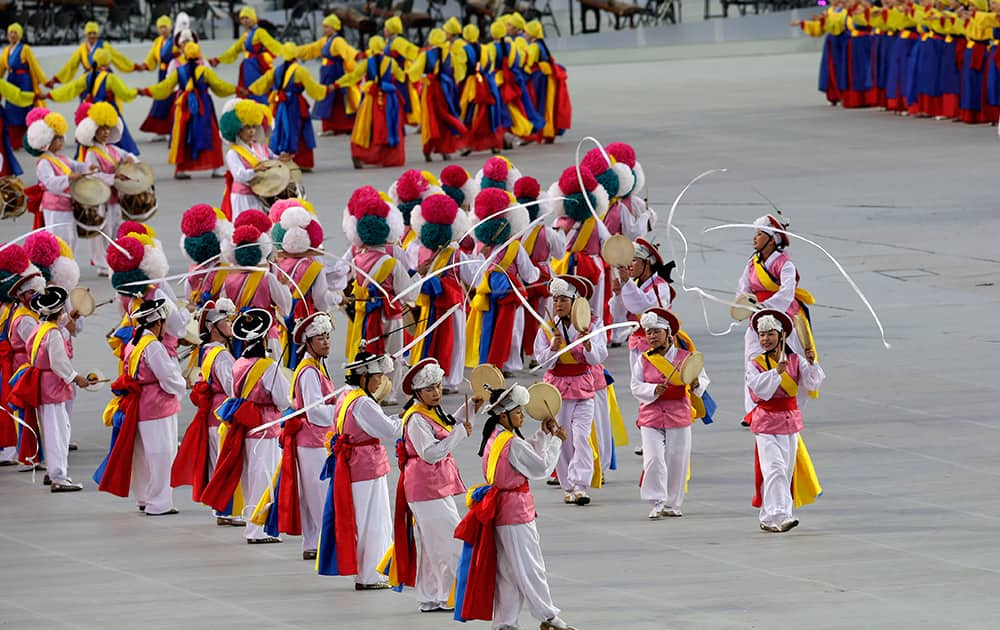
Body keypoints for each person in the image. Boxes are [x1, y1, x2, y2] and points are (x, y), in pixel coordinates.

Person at [452, 383, 576, 630]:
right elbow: (539, 467)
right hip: (516, 513)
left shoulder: (496, 438)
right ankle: (548, 616)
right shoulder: (512, 443)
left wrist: (543, 435)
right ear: (503, 415)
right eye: (518, 411)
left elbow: (525, 455)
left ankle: (505, 623)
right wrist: (556, 441)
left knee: (507, 571)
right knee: (531, 566)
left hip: (501, 511)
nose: (522, 415)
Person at [387, 358, 474, 610]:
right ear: (417, 392)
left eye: (437, 386)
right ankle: (448, 595)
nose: (436, 392)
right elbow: (430, 453)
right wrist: (460, 433)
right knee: (448, 540)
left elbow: (448, 424)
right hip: (426, 487)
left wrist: (472, 408)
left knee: (432, 543)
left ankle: (430, 596)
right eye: (430, 389)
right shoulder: (415, 419)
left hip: (431, 486)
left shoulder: (428, 413)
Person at [200, 308, 291, 543]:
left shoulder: (238, 363)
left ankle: (254, 525)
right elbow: (283, 399)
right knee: (265, 478)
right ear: (263, 339)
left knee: (251, 478)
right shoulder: (267, 366)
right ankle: (258, 529)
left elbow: (233, 392)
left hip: (246, 426)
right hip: (266, 427)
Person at [316, 351, 401, 589]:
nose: (380, 380)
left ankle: (369, 572)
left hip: (354, 464)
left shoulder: (347, 395)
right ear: (363, 376)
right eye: (376, 376)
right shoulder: (363, 403)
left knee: (364, 519)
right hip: (366, 466)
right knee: (374, 520)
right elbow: (388, 430)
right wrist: (407, 419)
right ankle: (372, 574)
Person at [95, 299, 186, 515]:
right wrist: (182, 385)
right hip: (157, 404)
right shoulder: (153, 345)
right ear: (159, 323)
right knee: (162, 453)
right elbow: (167, 376)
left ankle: (144, 497)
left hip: (139, 403)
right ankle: (159, 502)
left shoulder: (134, 343)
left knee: (142, 453)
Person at [745, 309, 825, 533]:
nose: (765, 339)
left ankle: (769, 516)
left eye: (770, 334)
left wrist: (812, 364)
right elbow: (758, 392)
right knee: (775, 468)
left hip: (790, 422)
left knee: (786, 471)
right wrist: (775, 374)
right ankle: (783, 514)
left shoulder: (795, 360)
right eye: (761, 335)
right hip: (765, 423)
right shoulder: (755, 363)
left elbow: (811, 385)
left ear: (781, 335)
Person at [8, 286, 94, 492]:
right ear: (58, 311)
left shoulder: (40, 327)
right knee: (58, 431)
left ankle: (53, 472)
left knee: (50, 429)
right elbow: (59, 363)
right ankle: (59, 477)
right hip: (53, 385)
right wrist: (76, 378)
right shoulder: (53, 334)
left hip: (42, 384)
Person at [532, 275, 607, 506]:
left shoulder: (592, 325)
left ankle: (581, 485)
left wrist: (588, 346)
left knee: (582, 437)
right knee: (562, 437)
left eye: (563, 299)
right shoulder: (547, 328)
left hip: (583, 388)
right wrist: (552, 349)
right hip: (556, 391)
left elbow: (599, 356)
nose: (558, 304)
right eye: (555, 300)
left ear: (575, 301)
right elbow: (541, 361)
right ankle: (567, 485)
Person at [629, 308, 711, 519]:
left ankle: (673, 503)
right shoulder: (643, 359)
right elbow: (635, 385)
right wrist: (652, 390)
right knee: (653, 459)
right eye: (648, 333)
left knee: (677, 459)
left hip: (678, 413)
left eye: (656, 331)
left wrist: (695, 384)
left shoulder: (686, 358)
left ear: (668, 333)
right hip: (651, 414)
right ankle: (656, 501)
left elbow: (702, 380)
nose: (652, 336)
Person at [735, 214, 818, 413]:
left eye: (759, 235)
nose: (754, 238)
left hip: (784, 317)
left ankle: (792, 403)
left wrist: (765, 306)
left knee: (791, 360)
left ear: (772, 240)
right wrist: (746, 304)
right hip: (757, 316)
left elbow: (787, 293)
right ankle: (753, 409)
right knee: (752, 359)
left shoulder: (785, 264)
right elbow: (743, 289)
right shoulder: (752, 263)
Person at [341, 186, 412, 402]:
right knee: (393, 353)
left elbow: (341, 273)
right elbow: (406, 291)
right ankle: (388, 393)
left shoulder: (356, 259)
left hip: (366, 314)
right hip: (390, 313)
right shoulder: (393, 260)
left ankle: (368, 388)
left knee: (366, 350)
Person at [170, 298, 235, 516]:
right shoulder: (222, 355)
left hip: (212, 415)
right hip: (222, 415)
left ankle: (222, 510)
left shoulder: (208, 350)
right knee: (224, 465)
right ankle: (225, 510)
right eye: (226, 321)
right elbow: (231, 386)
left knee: (217, 463)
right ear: (213, 328)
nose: (230, 324)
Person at [281, 312, 338, 559]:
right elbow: (315, 411)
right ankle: (319, 542)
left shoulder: (316, 367)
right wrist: (341, 409)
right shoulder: (309, 372)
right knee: (317, 494)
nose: (325, 342)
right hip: (313, 440)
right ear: (308, 342)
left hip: (315, 439)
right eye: (319, 338)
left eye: (327, 337)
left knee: (314, 492)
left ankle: (313, 542)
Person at [465, 187, 539, 374]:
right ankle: (509, 363)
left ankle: (489, 361)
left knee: (486, 329)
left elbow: (475, 275)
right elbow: (529, 273)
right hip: (511, 293)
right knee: (514, 329)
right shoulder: (514, 246)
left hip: (486, 293)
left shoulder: (479, 248)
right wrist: (538, 274)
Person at [408, 193, 475, 393]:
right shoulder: (456, 253)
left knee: (426, 338)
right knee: (454, 343)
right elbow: (474, 278)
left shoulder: (416, 249)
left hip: (428, 303)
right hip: (452, 304)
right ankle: (450, 380)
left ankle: (425, 375)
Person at [141, 42, 234, 180]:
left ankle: (181, 170)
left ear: (184, 55)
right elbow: (220, 86)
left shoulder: (179, 71)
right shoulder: (205, 71)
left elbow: (164, 87)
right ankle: (216, 167)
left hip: (184, 106)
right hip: (203, 106)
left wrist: (146, 91)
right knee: (211, 134)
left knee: (183, 136)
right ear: (199, 55)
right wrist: (237, 89)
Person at [24, 107, 98, 265]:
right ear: (47, 141)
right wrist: (69, 178)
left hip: (67, 204)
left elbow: (77, 166)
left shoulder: (62, 158)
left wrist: (87, 168)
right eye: (58, 139)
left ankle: (69, 265)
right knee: (59, 238)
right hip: (54, 206)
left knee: (71, 238)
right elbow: (50, 183)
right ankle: (59, 266)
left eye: (61, 138)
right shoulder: (44, 162)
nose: (61, 141)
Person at [74, 102, 137, 277]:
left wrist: (131, 160)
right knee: (103, 229)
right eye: (102, 129)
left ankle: (115, 258)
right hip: (100, 197)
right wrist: (113, 178)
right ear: (94, 132)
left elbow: (129, 156)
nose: (106, 132)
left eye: (108, 128)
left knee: (117, 227)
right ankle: (102, 263)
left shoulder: (113, 149)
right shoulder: (91, 153)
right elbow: (92, 175)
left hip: (115, 196)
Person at [219, 209, 292, 360]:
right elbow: (285, 309)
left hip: (238, 336)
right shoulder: (267, 278)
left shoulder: (227, 280)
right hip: (266, 335)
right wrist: (284, 286)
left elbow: (223, 310)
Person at [247, 42, 331, 171]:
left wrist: (250, 90)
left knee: (282, 130)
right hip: (295, 105)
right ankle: (301, 162)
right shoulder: (300, 70)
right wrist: (326, 89)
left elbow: (262, 82)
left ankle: (283, 159)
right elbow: (312, 87)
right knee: (299, 131)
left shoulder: (277, 70)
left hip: (280, 105)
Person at [47, 48, 141, 156]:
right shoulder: (110, 78)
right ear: (109, 62)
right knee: (116, 134)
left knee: (91, 133)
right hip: (108, 111)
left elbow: (70, 88)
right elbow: (125, 93)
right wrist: (137, 91)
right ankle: (118, 156)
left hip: (92, 111)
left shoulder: (87, 77)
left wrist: (51, 95)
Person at [0, 246, 43, 465]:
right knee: (20, 408)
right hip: (20, 364)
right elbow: (35, 345)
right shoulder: (23, 316)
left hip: (12, 362)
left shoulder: (12, 310)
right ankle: (22, 450)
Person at [336, 36, 407, 168]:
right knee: (388, 126)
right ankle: (387, 157)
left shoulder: (366, 63)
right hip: (389, 99)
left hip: (371, 98)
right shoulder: (391, 62)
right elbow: (401, 78)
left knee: (366, 126)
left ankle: (359, 154)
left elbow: (353, 77)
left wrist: (337, 84)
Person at [609, 238, 675, 365]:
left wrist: (627, 283)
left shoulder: (660, 287)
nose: (629, 265)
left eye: (633, 260)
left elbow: (645, 308)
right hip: (637, 343)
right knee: (638, 382)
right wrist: (618, 294)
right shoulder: (634, 285)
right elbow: (618, 315)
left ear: (647, 262)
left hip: (657, 343)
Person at [219, 98, 284, 218]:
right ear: (238, 130)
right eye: (247, 127)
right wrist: (255, 171)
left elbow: (272, 159)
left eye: (254, 127)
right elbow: (239, 176)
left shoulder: (260, 147)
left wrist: (282, 158)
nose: (252, 131)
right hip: (243, 197)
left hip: (261, 195)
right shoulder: (233, 153)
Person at [408, 28, 467, 162]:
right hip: (445, 91)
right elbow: (458, 72)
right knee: (444, 120)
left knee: (429, 121)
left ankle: (427, 150)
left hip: (430, 91)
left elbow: (414, 71)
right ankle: (445, 150)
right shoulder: (449, 55)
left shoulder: (426, 55)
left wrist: (419, 78)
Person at [298, 13, 359, 137]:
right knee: (329, 100)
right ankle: (333, 126)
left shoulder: (338, 41)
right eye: (324, 26)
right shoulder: (325, 41)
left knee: (337, 100)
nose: (324, 29)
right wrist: (296, 51)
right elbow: (311, 49)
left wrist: (355, 59)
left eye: (327, 27)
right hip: (327, 72)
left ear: (334, 28)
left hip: (336, 73)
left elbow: (347, 51)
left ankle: (343, 126)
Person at [208, 6, 282, 105]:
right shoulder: (246, 36)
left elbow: (273, 45)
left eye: (247, 17)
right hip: (248, 69)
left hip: (257, 67)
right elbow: (233, 50)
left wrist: (289, 52)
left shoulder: (260, 32)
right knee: (248, 92)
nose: (244, 21)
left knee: (258, 92)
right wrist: (218, 60)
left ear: (253, 18)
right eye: (242, 18)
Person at [523, 20, 571, 144]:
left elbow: (528, 63)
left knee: (537, 105)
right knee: (546, 106)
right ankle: (547, 132)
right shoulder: (541, 44)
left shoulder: (534, 46)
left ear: (532, 34)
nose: (524, 34)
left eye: (526, 32)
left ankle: (537, 132)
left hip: (539, 79)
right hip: (547, 78)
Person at [1, 22, 46, 151]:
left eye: (15, 32)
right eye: (11, 32)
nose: (13, 35)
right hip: (11, 81)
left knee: (25, 109)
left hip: (24, 82)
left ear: (20, 35)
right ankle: (15, 142)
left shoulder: (25, 49)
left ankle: (32, 140)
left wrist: (44, 81)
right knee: (11, 110)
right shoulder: (6, 51)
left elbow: (35, 66)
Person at [49, 21, 137, 87]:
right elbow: (70, 65)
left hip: (104, 77)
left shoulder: (104, 45)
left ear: (97, 34)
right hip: (89, 77)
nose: (92, 36)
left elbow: (118, 57)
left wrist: (132, 66)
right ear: (86, 35)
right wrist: (57, 78)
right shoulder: (82, 49)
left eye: (94, 33)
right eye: (89, 33)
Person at [137, 15, 178, 139]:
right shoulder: (158, 42)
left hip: (174, 73)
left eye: (165, 27)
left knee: (172, 101)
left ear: (170, 27)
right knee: (160, 100)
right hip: (162, 73)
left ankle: (174, 129)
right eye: (160, 27)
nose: (163, 30)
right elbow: (152, 57)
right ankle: (160, 131)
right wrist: (145, 65)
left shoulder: (175, 41)